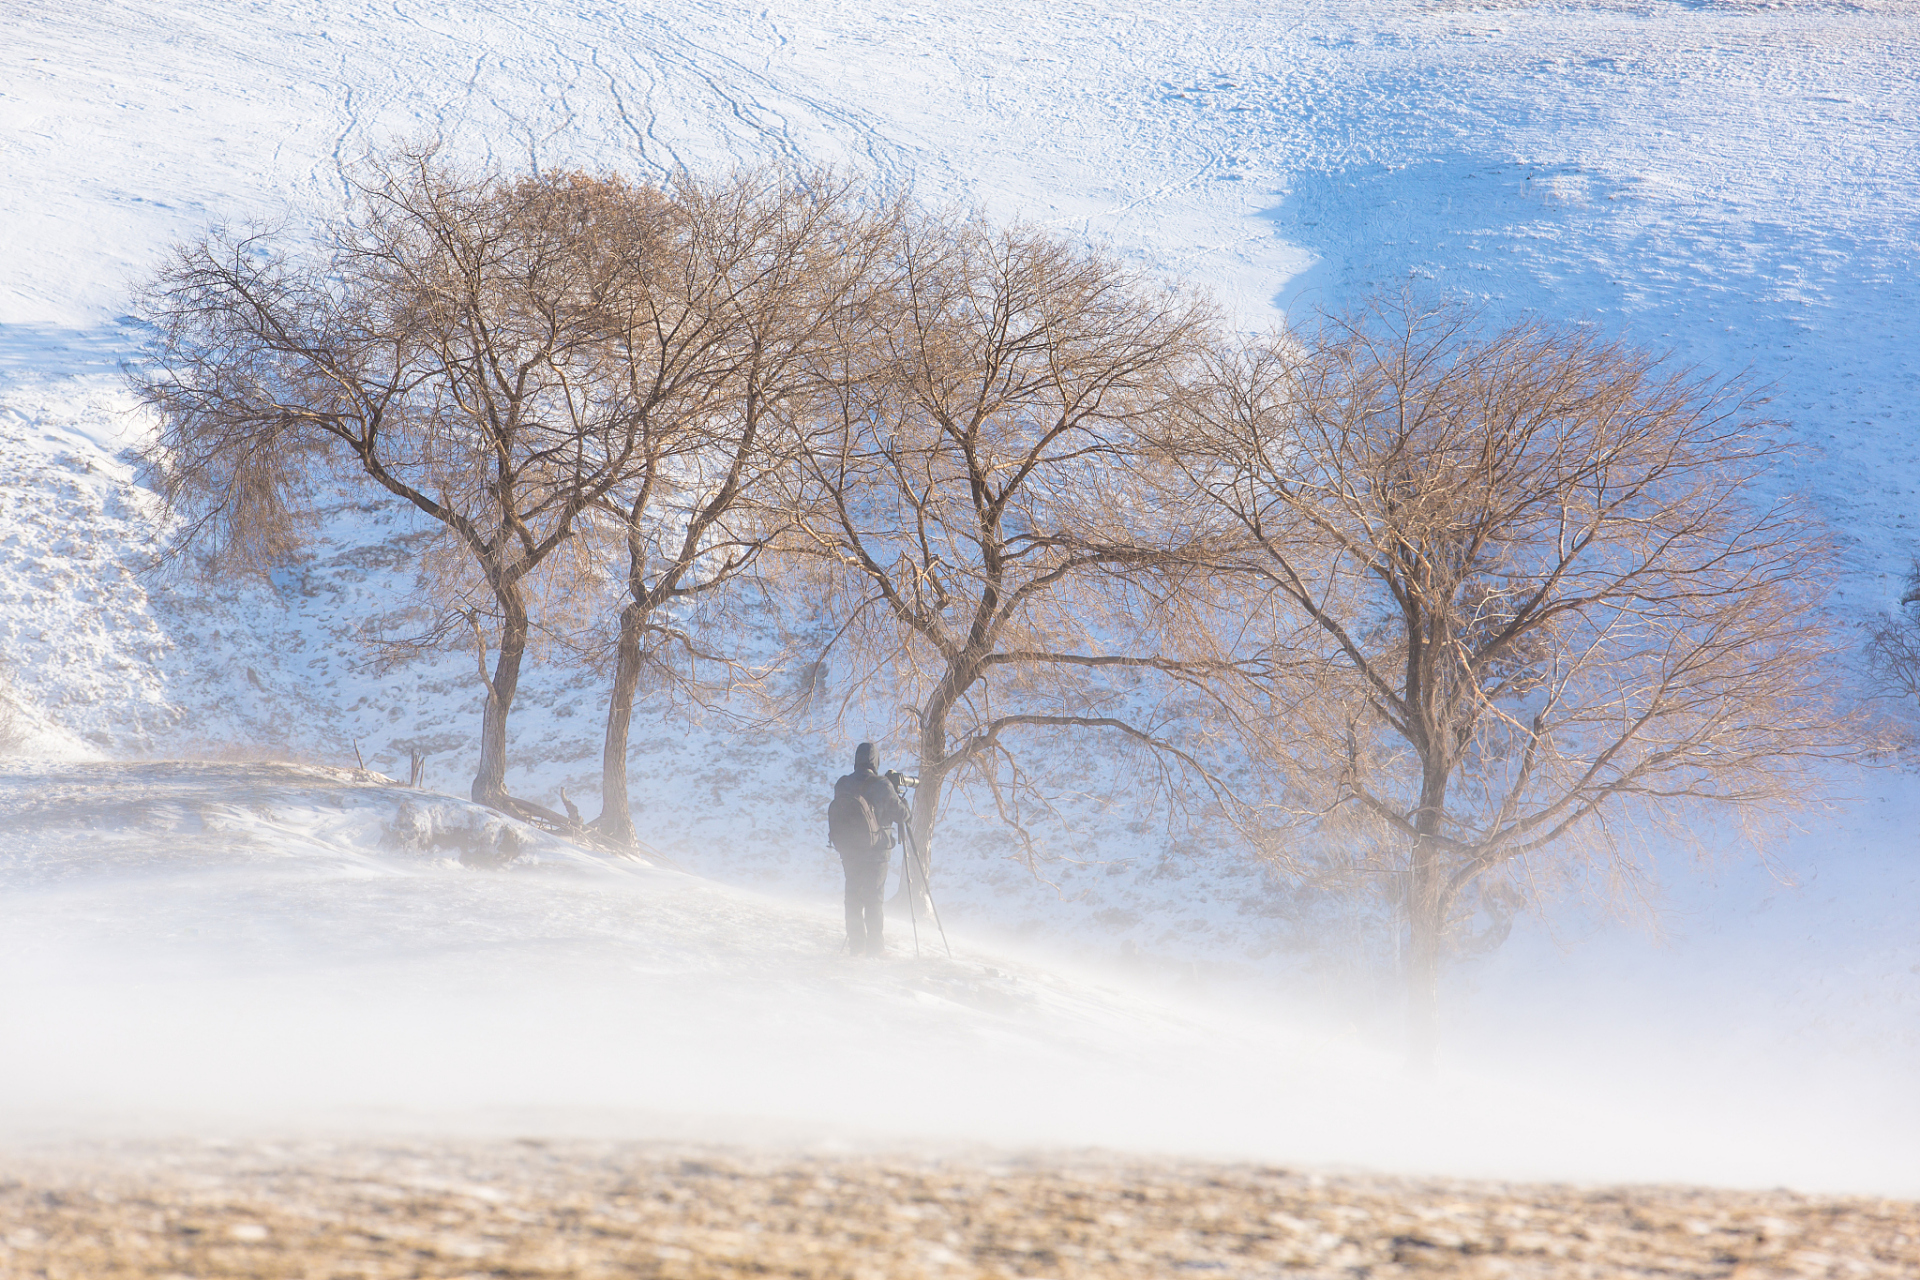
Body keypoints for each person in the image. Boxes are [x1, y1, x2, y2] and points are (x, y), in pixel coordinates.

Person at [827, 741, 912, 956]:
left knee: (853, 898)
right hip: (876, 854)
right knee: (874, 900)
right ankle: (875, 951)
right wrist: (899, 796)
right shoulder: (882, 785)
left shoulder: (843, 784)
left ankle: (856, 947)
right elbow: (902, 815)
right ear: (876, 761)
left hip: (850, 851)